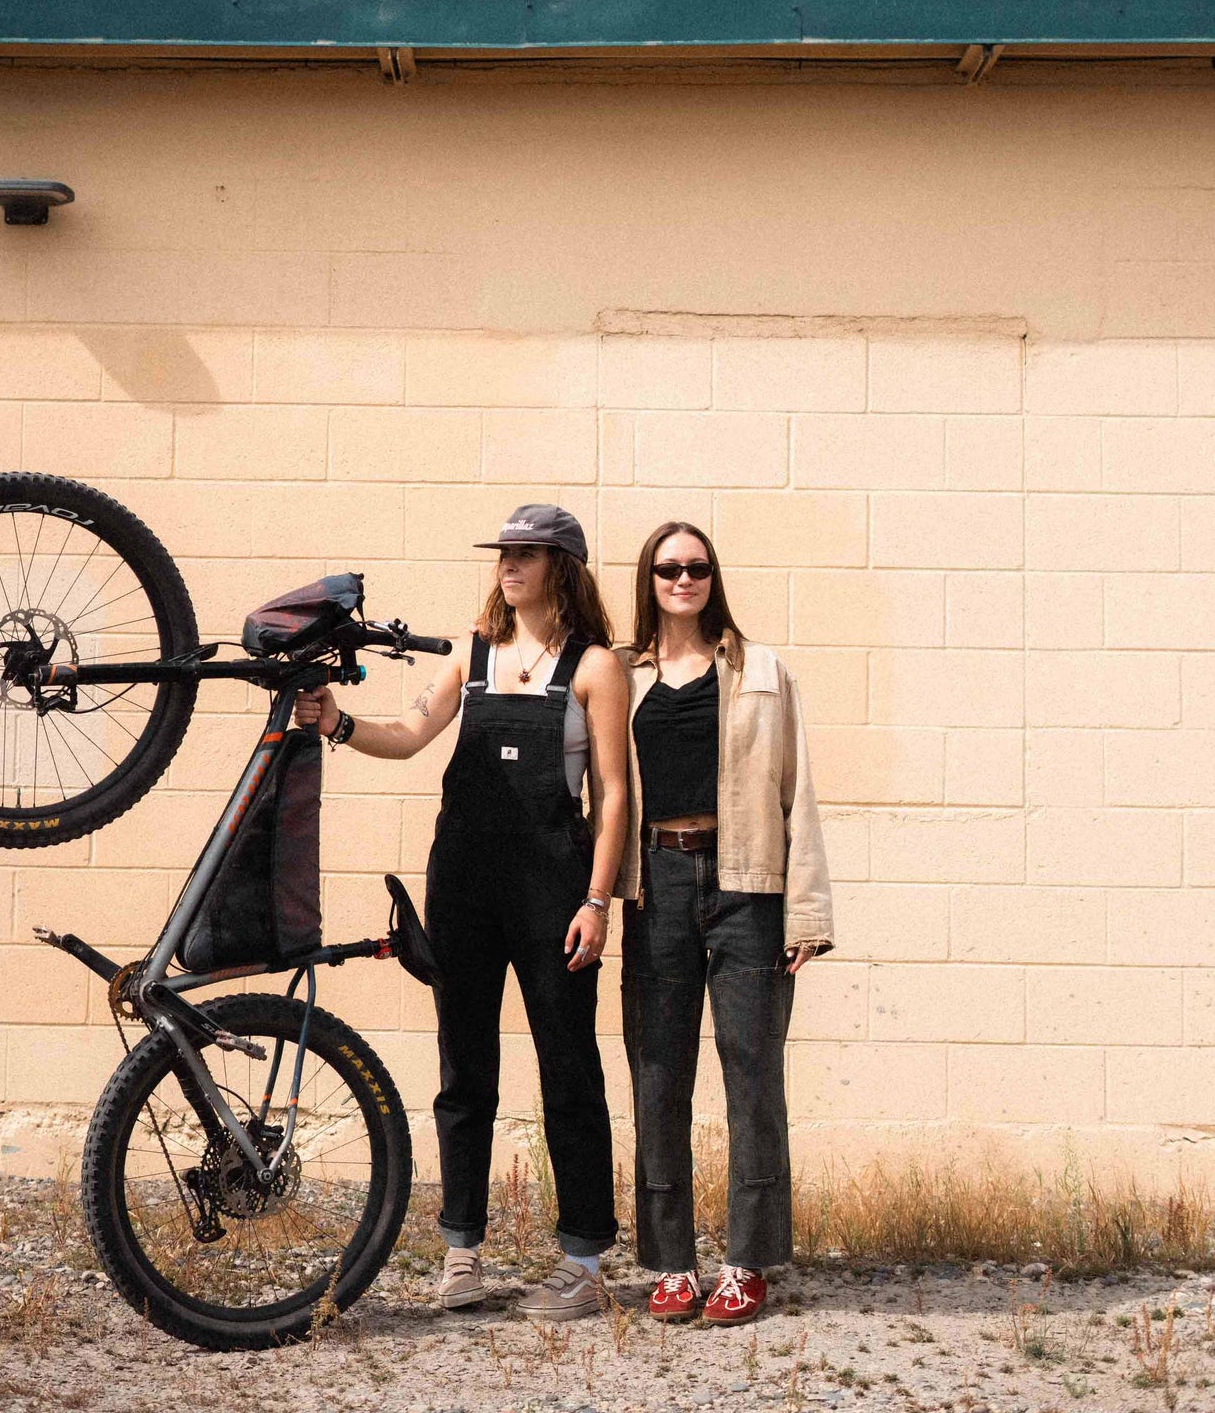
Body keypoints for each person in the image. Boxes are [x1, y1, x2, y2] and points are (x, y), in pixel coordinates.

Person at [296, 504, 629, 1323]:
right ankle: (462, 1254)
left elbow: (616, 793)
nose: (508, 564)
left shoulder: (595, 667)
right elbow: (410, 734)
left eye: (526, 553)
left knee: (569, 1070)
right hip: (466, 888)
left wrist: (597, 900)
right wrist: (337, 721)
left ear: (563, 566)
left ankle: (583, 1262)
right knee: (464, 1070)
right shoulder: (470, 655)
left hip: (555, 894)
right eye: (504, 552)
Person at [618, 520, 834, 1328]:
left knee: (753, 1076)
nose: (683, 578)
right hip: (656, 886)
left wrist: (806, 909)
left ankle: (746, 1263)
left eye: (697, 567)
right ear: (650, 578)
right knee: (659, 1078)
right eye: (669, 567)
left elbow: (798, 790)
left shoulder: (764, 671)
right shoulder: (619, 673)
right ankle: (673, 1265)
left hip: (749, 887)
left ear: (714, 575)